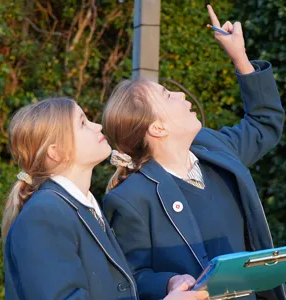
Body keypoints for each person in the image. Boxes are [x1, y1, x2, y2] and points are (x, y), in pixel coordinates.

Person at [102, 5, 285, 300]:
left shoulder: (215, 150)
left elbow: (265, 123)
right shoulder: (129, 199)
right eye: (166, 94)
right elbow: (128, 279)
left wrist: (240, 57)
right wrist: (170, 283)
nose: (180, 93)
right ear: (157, 129)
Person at [2, 97, 209, 300]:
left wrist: (167, 284)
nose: (97, 126)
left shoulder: (82, 209)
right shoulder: (44, 215)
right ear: (56, 152)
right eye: (83, 123)